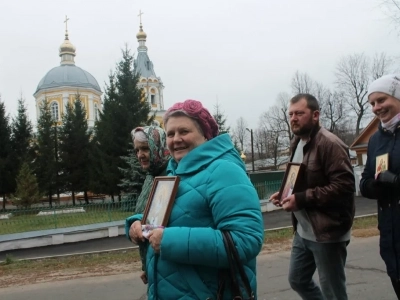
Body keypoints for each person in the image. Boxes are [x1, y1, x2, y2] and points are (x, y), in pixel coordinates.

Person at [127, 99, 264, 300]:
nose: (176, 139)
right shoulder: (174, 173)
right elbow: (178, 214)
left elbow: (245, 240)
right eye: (171, 134)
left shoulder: (224, 171)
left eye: (184, 131)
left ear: (206, 135)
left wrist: (169, 240)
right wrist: (137, 223)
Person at [270, 93, 355, 300]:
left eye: (299, 113)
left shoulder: (330, 144)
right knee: (298, 279)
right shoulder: (297, 142)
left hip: (327, 231)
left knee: (333, 292)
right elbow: (299, 178)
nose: (293, 118)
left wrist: (301, 199)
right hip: (303, 230)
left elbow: (344, 186)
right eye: (290, 114)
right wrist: (284, 194)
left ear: (315, 115)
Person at [360, 74, 400, 299]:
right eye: (372, 103)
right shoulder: (376, 139)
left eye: (382, 100)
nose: (376, 107)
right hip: (391, 235)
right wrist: (373, 186)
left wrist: (395, 181)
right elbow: (365, 179)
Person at [124, 125, 170, 284]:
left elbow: (159, 225)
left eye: (145, 148)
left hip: (168, 266)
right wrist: (147, 267)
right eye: (137, 150)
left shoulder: (168, 178)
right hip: (155, 264)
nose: (140, 155)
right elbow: (148, 221)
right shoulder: (151, 177)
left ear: (158, 146)